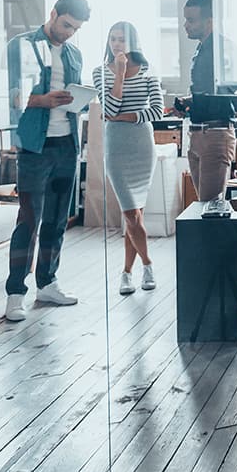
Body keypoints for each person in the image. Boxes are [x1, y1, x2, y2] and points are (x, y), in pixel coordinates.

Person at [4, 0, 90, 323]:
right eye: (66, 24)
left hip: (66, 145)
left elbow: (74, 97)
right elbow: (11, 96)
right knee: (28, 221)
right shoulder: (21, 46)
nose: (68, 32)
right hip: (33, 148)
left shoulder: (74, 54)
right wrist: (44, 100)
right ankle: (15, 293)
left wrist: (77, 101)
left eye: (75, 28)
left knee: (57, 221)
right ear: (53, 14)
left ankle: (47, 283)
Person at [92, 22, 164, 295]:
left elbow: (157, 110)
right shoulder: (99, 72)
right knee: (131, 213)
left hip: (142, 147)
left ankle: (126, 273)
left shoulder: (148, 72)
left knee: (134, 216)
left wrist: (125, 117)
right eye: (112, 39)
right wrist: (120, 73)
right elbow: (108, 107)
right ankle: (148, 264)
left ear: (133, 42)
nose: (116, 44)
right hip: (117, 149)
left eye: (122, 39)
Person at [175, 0, 237, 202]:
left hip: (215, 137)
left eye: (191, 20)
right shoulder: (200, 51)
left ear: (209, 22)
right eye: (185, 19)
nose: (185, 25)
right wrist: (187, 103)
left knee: (211, 208)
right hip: (197, 135)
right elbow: (211, 96)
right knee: (203, 207)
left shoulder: (226, 52)